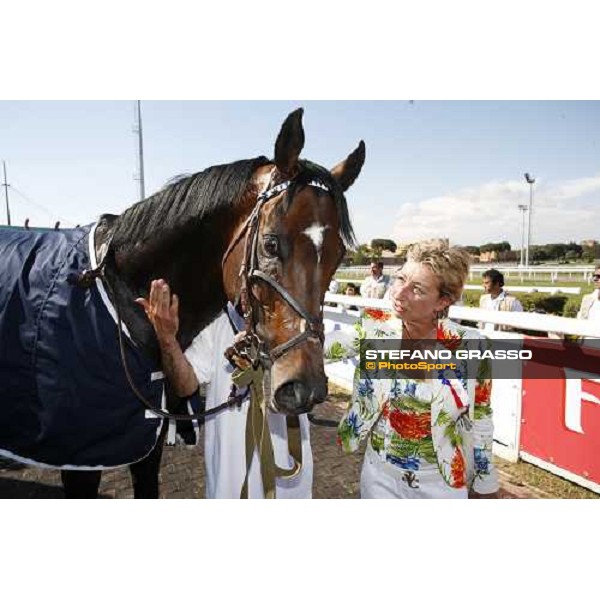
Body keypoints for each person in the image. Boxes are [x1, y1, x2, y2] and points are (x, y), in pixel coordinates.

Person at [338, 241, 499, 499]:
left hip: (441, 486)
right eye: (400, 278)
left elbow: (481, 419)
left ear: (442, 301)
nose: (399, 293)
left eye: (417, 289)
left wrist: (486, 482)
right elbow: (323, 347)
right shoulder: (373, 326)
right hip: (377, 476)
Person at [137, 279, 313, 499]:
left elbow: (362, 345)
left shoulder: (301, 321)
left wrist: (370, 366)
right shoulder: (217, 322)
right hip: (230, 484)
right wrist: (167, 340)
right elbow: (185, 385)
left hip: (290, 484)